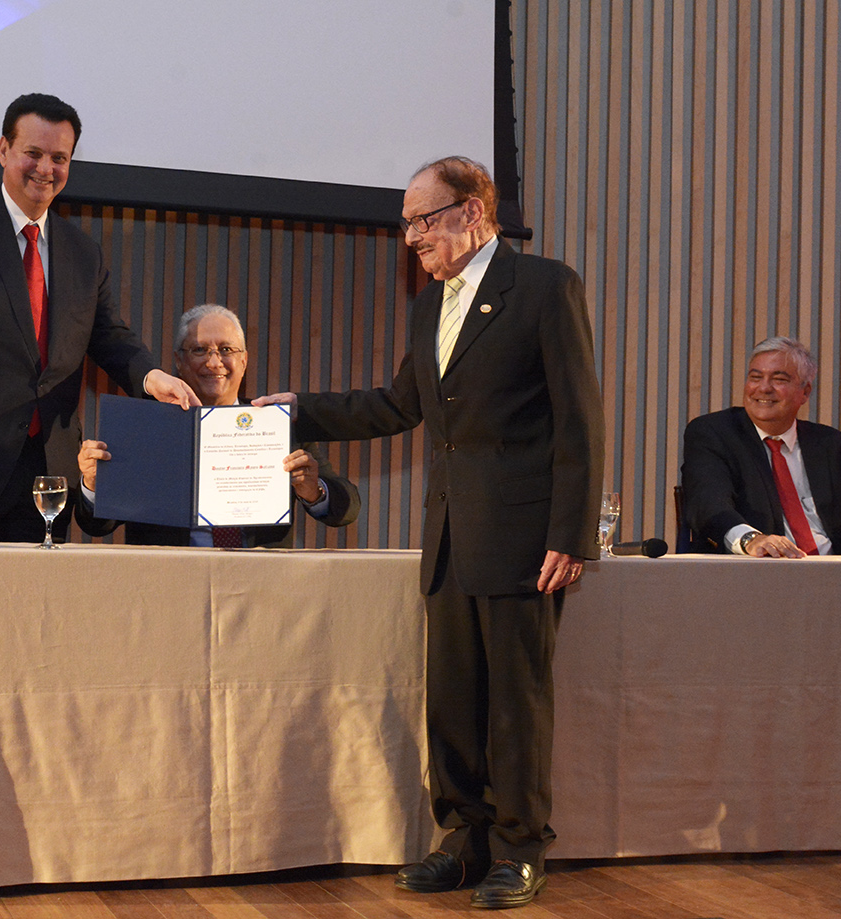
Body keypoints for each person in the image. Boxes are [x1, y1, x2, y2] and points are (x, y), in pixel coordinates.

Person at [253, 157, 603, 908]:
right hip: (446, 533)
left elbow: (580, 419)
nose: (411, 235)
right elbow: (395, 405)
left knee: (514, 701)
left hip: (522, 538)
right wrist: (298, 407)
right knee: (451, 699)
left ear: (473, 211)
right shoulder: (429, 305)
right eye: (406, 222)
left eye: (422, 218)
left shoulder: (544, 287)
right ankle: (462, 840)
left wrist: (571, 535)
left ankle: (518, 848)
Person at [0, 93, 197, 542]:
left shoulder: (83, 253)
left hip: (43, 486)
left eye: (59, 158)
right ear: (4, 150)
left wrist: (151, 376)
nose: (46, 169)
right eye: (33, 153)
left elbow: (107, 334)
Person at [74, 304, 361, 546]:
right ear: (178, 361)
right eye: (199, 349)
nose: (214, 362)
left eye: (226, 349)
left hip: (260, 584)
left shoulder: (277, 424)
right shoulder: (147, 428)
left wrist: (314, 490)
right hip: (166, 584)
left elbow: (347, 508)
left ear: (244, 360)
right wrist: (94, 484)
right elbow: (97, 526)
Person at [681, 336, 841, 558]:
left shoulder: (833, 446)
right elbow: (709, 505)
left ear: (805, 392)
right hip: (758, 577)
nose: (764, 388)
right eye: (755, 376)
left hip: (835, 580)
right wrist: (752, 540)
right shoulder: (714, 432)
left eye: (779, 379)